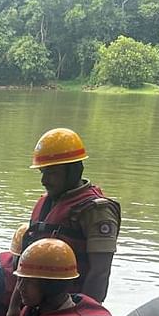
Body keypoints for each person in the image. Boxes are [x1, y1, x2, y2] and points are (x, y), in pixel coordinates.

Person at [23, 128, 120, 302]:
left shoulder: (96, 211)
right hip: (37, 307)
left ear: (74, 171)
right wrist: (16, 304)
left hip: (69, 308)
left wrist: (84, 314)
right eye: (43, 172)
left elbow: (100, 272)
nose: (44, 180)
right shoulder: (45, 203)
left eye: (52, 173)